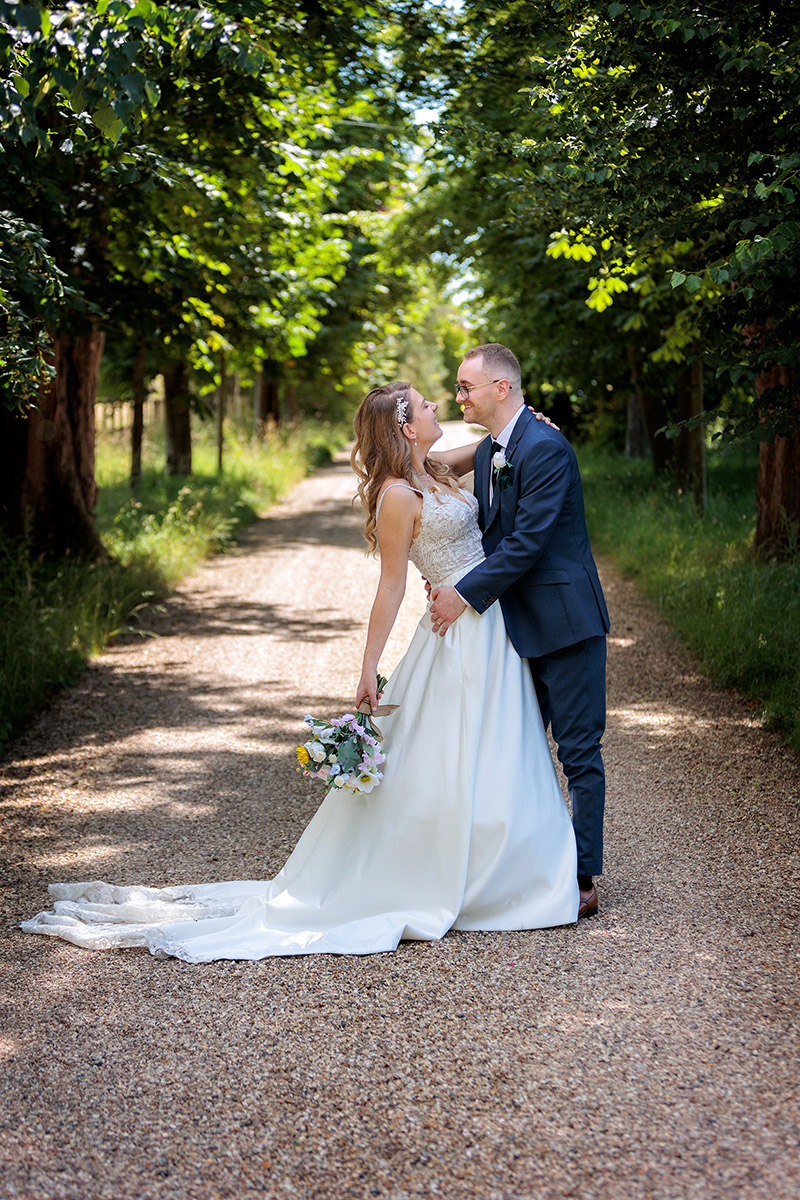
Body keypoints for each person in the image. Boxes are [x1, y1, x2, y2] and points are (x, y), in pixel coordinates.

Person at [21, 381, 579, 962]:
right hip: (456, 631)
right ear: (407, 427)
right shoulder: (398, 495)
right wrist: (368, 667)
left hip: (489, 623)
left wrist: (533, 424)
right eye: (427, 404)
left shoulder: (436, 468)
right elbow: (390, 586)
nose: (440, 405)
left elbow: (499, 446)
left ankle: (504, 867)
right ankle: (465, 875)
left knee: (494, 749)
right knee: (458, 751)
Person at [428, 343, 609, 919]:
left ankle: (580, 878)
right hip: (511, 627)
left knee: (578, 752)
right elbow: (428, 470)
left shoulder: (547, 448)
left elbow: (528, 543)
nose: (458, 397)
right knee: (514, 749)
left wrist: (463, 593)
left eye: (466, 387)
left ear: (501, 388)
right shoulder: (492, 451)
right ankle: (517, 865)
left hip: (565, 621)